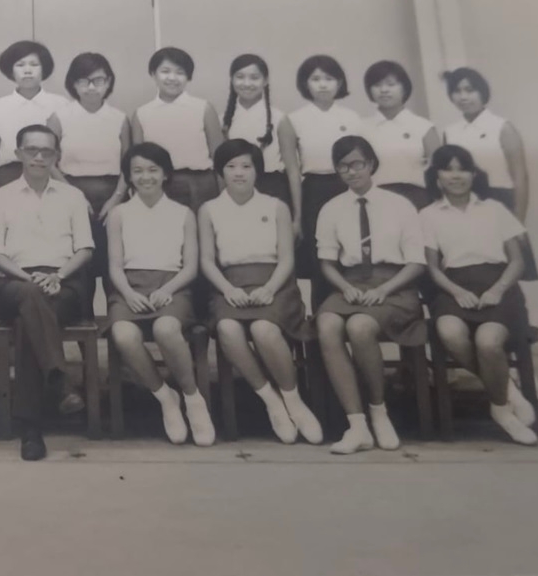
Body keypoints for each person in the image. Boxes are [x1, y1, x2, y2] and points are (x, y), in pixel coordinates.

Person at [199, 139, 322, 444]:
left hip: (275, 283)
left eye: (246, 166)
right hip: (229, 284)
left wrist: (269, 288)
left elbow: (287, 259)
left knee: (264, 328)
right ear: (220, 172)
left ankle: (293, 399)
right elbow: (206, 260)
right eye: (230, 167)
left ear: (258, 170)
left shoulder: (276, 206)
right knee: (228, 328)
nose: (239, 173)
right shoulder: (209, 209)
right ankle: (272, 402)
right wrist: (228, 290)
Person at [0, 124, 94, 460]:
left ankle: (30, 429)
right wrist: (30, 279)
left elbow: (85, 249)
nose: (39, 157)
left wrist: (58, 275)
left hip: (65, 284)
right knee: (30, 299)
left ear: (56, 156)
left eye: (47, 151)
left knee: (27, 323)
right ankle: (59, 383)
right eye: (32, 150)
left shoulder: (73, 197)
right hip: (14, 283)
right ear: (18, 154)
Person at [314, 136, 427, 454]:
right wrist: (345, 287)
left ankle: (379, 412)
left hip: (396, 285)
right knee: (327, 325)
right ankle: (357, 424)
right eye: (343, 166)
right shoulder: (331, 209)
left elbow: (417, 262)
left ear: (371, 164)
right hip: (350, 283)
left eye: (357, 164)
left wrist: (383, 290)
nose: (351, 171)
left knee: (360, 326)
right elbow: (327, 262)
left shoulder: (400, 205)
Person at [420, 144, 537, 445]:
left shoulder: (495, 208)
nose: (456, 176)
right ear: (437, 176)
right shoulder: (428, 215)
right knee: (449, 331)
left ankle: (499, 409)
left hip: (499, 283)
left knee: (488, 342)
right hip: (453, 285)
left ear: (473, 174)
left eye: (463, 169)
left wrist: (497, 289)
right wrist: (457, 291)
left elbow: (518, 261)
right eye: (448, 169)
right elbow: (433, 269)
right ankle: (507, 389)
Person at [105, 142, 214, 446]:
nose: (145, 177)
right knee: (124, 335)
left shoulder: (183, 213)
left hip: (173, 285)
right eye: (137, 171)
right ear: (128, 176)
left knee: (166, 328)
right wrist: (127, 293)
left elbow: (191, 266)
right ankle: (166, 397)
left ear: (166, 174)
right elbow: (114, 265)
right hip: (130, 288)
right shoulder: (119, 214)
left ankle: (193, 399)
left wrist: (167, 289)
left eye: (153, 170)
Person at [276, 55, 362, 291]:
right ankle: (323, 312)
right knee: (320, 253)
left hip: (348, 187)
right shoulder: (292, 120)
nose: (323, 84)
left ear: (340, 82)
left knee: (350, 246)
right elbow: (293, 171)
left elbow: (362, 164)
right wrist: (297, 216)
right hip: (313, 191)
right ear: (305, 83)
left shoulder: (352, 118)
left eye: (329, 78)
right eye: (315, 79)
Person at [47, 52, 131, 290]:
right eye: (84, 81)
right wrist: (74, 196)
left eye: (99, 80)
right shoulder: (60, 117)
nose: (92, 87)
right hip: (68, 191)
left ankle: (111, 315)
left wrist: (116, 198)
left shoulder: (119, 118)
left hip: (112, 194)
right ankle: (79, 314)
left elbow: (128, 164)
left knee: (110, 253)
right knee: (75, 251)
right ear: (73, 84)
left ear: (109, 82)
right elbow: (50, 162)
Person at [131, 47, 224, 212]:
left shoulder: (204, 108)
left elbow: (220, 156)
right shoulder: (142, 113)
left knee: (201, 234)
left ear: (188, 77)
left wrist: (224, 195)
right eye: (165, 71)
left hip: (201, 184)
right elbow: (136, 160)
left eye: (180, 72)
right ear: (153, 74)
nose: (172, 78)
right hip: (158, 185)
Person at [441, 67, 529, 220]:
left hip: (500, 201)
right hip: (463, 205)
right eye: (457, 91)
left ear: (482, 92)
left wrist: (519, 219)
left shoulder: (502, 127)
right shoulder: (450, 132)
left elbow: (520, 178)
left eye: (469, 90)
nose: (463, 97)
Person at [0, 40, 67, 192]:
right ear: (11, 71)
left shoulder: (61, 105)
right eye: (20, 65)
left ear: (44, 69)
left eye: (34, 65)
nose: (27, 71)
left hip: (52, 175)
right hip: (8, 176)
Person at [360, 60, 439, 209]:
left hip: (417, 199)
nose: (384, 90)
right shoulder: (361, 128)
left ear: (404, 87)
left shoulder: (424, 127)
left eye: (391, 84)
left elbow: (439, 169)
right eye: (377, 85)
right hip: (375, 200)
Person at [220, 54, 291, 207]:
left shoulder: (279, 118)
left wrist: (297, 217)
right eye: (240, 77)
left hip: (272, 187)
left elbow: (293, 171)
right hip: (234, 189)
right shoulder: (222, 121)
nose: (247, 83)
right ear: (231, 80)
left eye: (254, 77)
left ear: (265, 81)